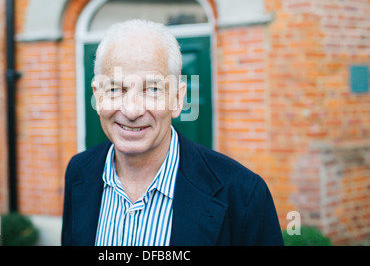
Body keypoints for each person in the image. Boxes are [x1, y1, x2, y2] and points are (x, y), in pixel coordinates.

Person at [61, 19, 284, 246]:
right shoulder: (78, 172)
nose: (131, 110)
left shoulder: (243, 193)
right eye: (116, 89)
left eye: (153, 89)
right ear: (98, 97)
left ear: (177, 99)